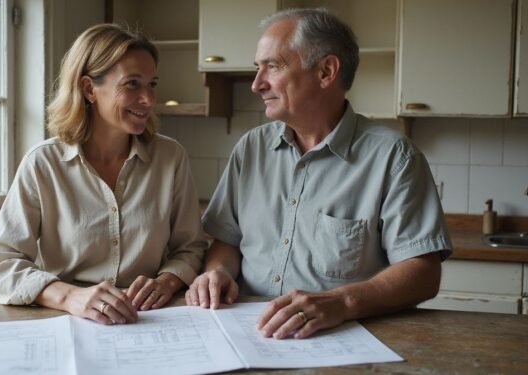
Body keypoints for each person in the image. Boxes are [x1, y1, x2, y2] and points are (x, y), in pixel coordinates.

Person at [185, 8, 452, 339]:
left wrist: (341, 302)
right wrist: (217, 272)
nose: (257, 84)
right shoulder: (251, 148)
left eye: (273, 66)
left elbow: (423, 272)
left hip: (344, 340)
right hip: (247, 333)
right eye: (258, 68)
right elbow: (227, 240)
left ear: (326, 71)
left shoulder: (394, 157)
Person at [0, 24, 207, 325]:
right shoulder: (43, 164)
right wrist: (68, 296)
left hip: (150, 321)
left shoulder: (170, 158)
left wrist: (165, 282)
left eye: (151, 84)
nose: (148, 99)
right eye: (132, 84)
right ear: (89, 89)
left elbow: (190, 248)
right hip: (68, 322)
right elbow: (1, 263)